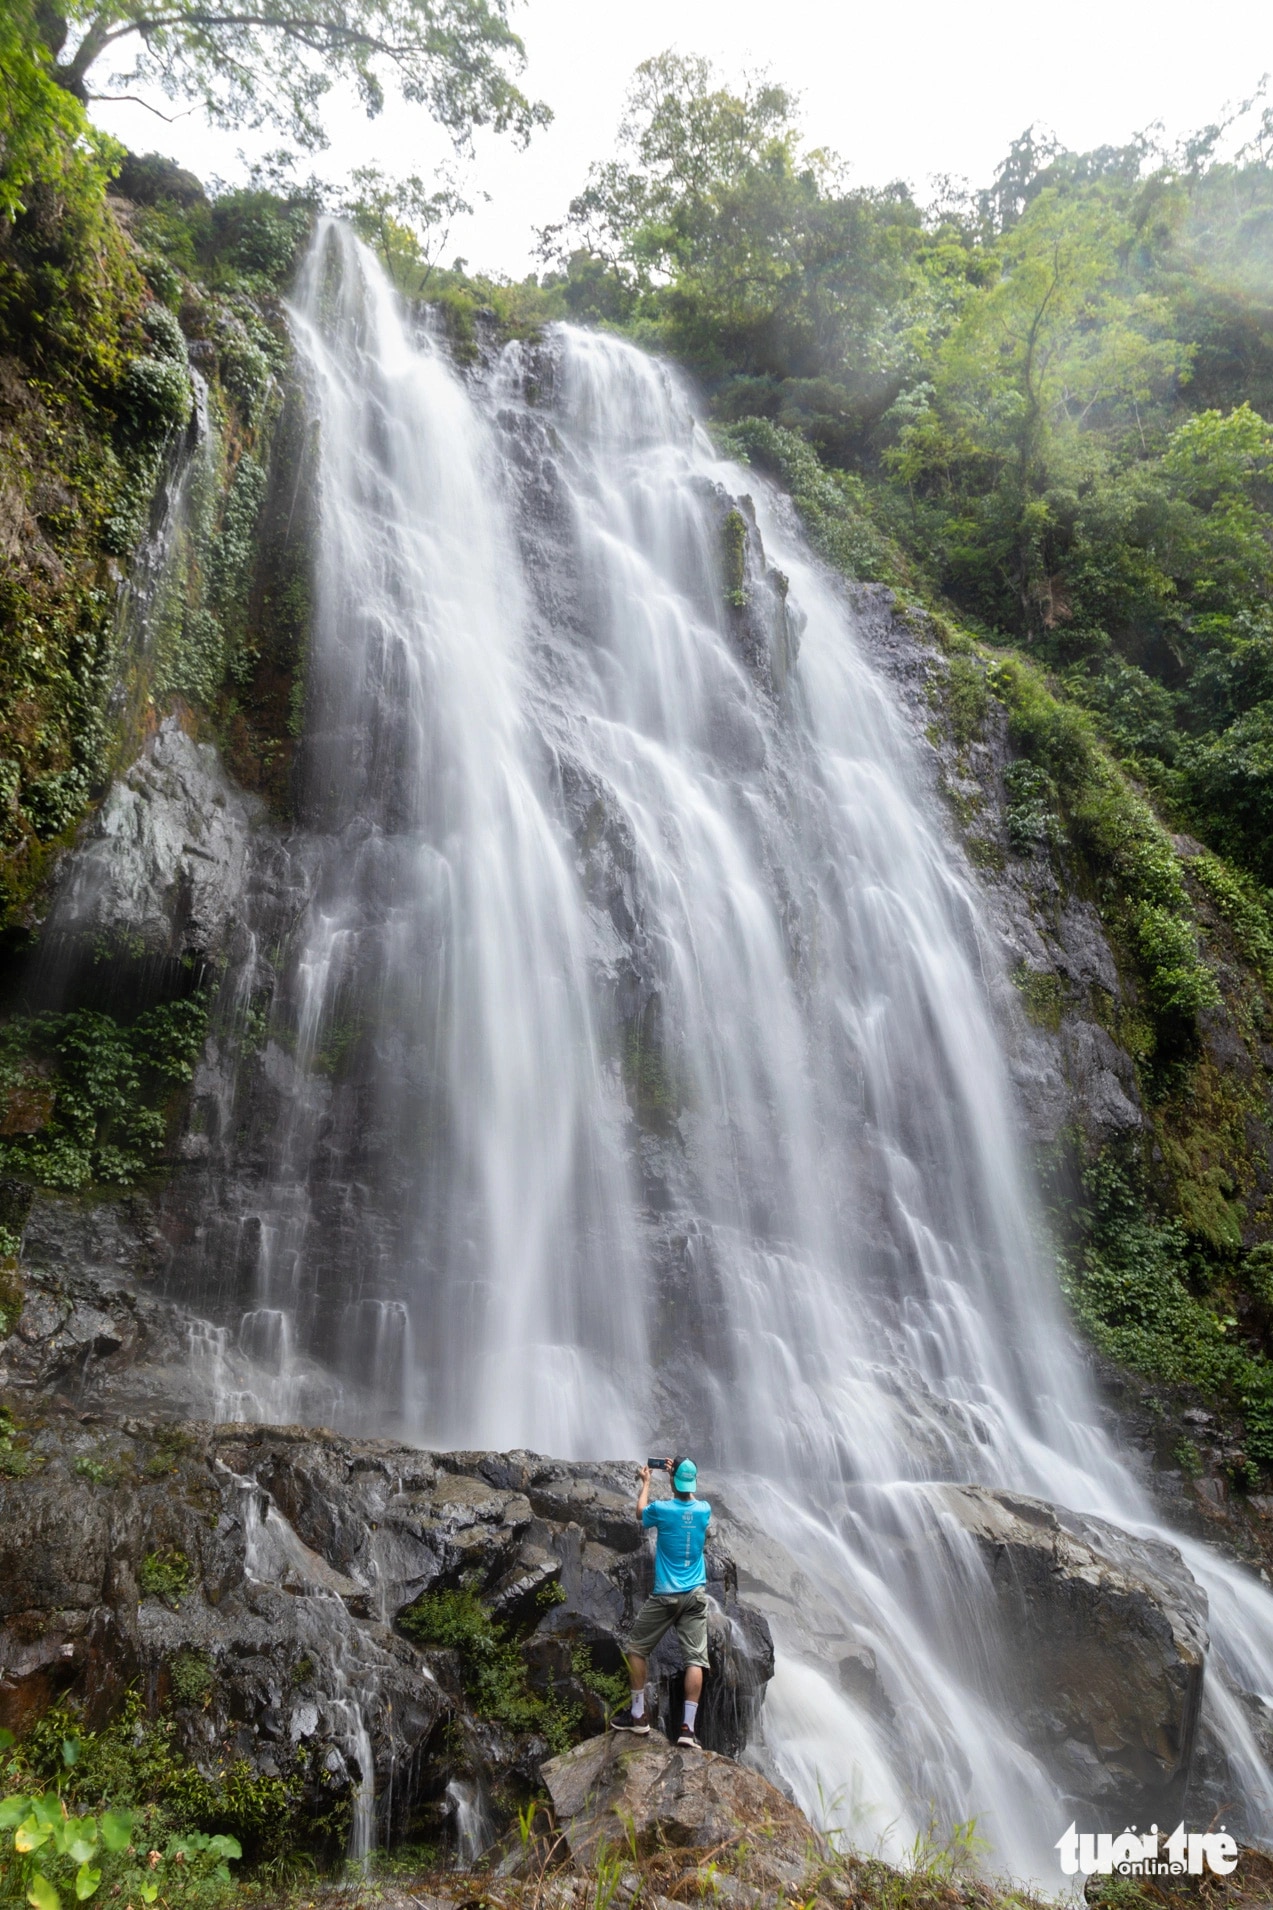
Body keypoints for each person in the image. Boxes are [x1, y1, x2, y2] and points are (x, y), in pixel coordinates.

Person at [610, 1456, 711, 1750]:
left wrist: (647, 1483)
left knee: (637, 1648)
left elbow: (640, 1513)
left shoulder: (663, 1510)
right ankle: (687, 1730)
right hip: (695, 1596)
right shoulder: (705, 1510)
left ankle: (639, 1716)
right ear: (693, 1482)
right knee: (695, 1660)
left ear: (673, 1481)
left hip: (666, 1595)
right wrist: (678, 1474)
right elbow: (691, 1502)